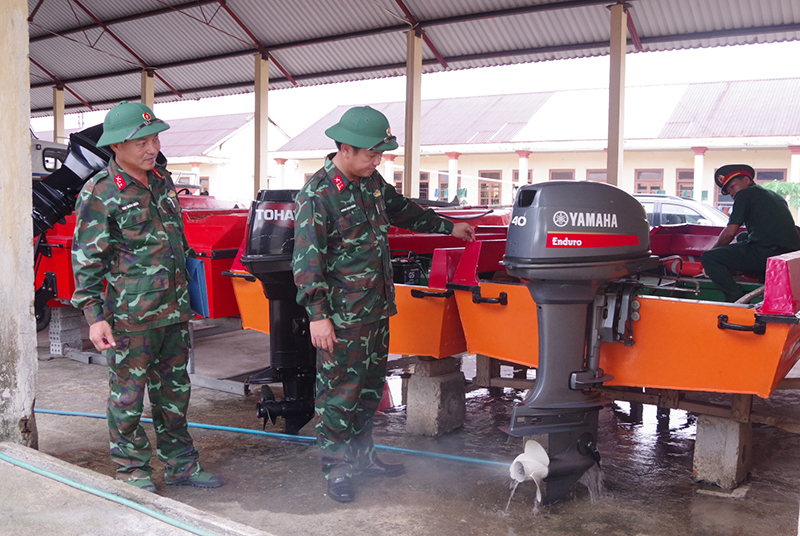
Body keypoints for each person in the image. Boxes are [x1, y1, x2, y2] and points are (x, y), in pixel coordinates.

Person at [292, 106, 476, 503]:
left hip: (375, 309)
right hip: (341, 317)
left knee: (370, 389)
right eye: (372, 154)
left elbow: (404, 210)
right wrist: (318, 315)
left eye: (380, 155)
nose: (378, 161)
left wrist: (449, 227)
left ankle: (364, 457)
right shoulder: (318, 194)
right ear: (345, 148)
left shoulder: (371, 182)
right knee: (340, 393)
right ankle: (338, 467)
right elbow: (307, 262)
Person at [71, 101, 222, 493]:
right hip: (129, 319)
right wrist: (94, 316)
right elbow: (87, 260)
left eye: (154, 137)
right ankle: (132, 471)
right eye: (141, 141)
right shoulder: (100, 192)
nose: (151, 147)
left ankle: (181, 465)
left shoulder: (162, 181)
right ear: (117, 146)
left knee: (175, 396)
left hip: (172, 313)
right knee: (127, 400)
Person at [700, 164, 800, 302]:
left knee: (709, 258)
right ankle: (760, 276)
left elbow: (730, 232)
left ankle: (735, 296)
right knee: (743, 236)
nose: (732, 194)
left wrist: (713, 251)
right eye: (729, 192)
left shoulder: (744, 194)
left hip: (767, 254)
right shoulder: (774, 196)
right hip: (789, 255)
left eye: (733, 187)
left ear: (746, 180)